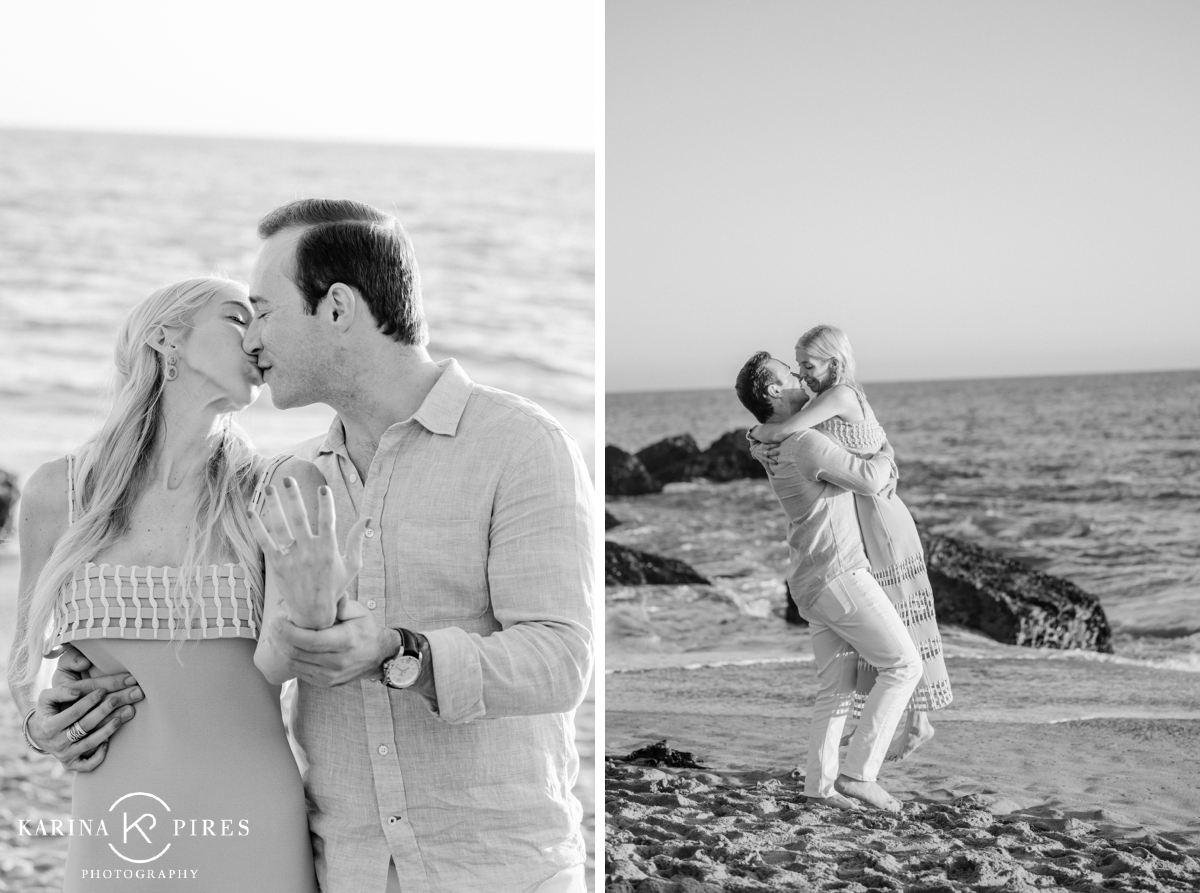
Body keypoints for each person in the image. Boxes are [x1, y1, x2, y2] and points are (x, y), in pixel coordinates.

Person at [9, 277, 336, 892]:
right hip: (115, 820)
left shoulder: (281, 489)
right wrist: (38, 723)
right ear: (167, 340)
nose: (259, 337)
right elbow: (25, 659)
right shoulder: (60, 493)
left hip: (251, 820)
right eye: (239, 318)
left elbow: (296, 659)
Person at [748, 325, 952, 759]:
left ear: (834, 364)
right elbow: (790, 429)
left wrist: (757, 437)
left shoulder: (839, 395)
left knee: (905, 613)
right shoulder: (827, 399)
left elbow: (786, 431)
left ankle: (916, 722)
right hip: (866, 508)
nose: (801, 375)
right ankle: (914, 721)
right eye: (797, 368)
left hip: (881, 512)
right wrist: (756, 437)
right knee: (895, 615)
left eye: (807, 365)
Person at [735, 350, 919, 812]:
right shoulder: (801, 445)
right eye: (787, 373)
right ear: (774, 390)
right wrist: (886, 447)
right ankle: (859, 775)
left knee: (835, 690)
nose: (799, 377)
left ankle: (820, 787)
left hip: (809, 579)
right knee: (903, 667)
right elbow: (870, 478)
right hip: (839, 574)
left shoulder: (767, 442)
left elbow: (766, 434)